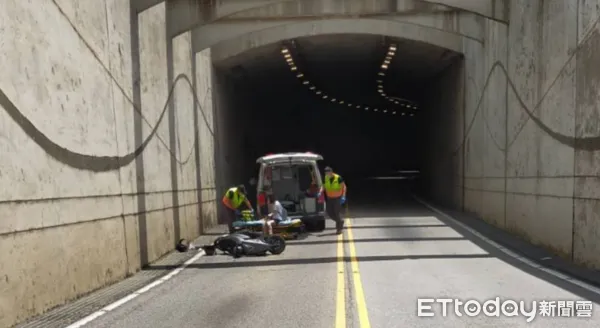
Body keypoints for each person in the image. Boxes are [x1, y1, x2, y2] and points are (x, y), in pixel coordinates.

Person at [323, 166, 347, 234]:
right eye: (326, 172)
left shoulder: (338, 178)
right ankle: (340, 221)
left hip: (337, 198)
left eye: (328, 172)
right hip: (329, 198)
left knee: (337, 213)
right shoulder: (326, 178)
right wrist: (321, 191)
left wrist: (343, 196)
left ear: (331, 171)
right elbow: (324, 185)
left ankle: (339, 229)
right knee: (329, 212)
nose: (327, 174)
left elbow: (344, 187)